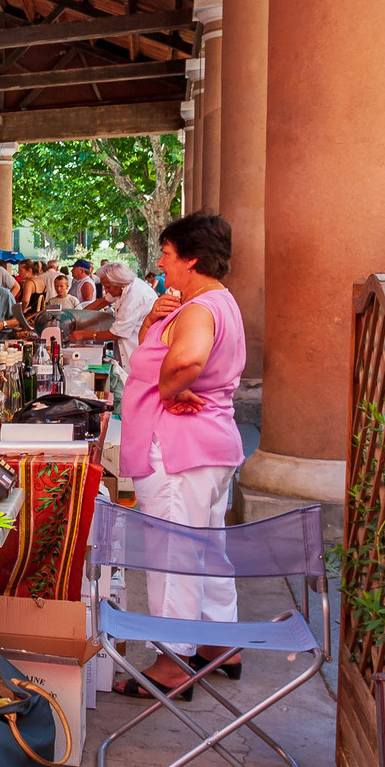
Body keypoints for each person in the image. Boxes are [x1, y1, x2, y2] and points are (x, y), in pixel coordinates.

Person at [119, 212, 246, 694]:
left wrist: (169, 387)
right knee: (207, 547)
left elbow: (189, 358)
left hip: (176, 450)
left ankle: (172, 662)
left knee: (173, 554)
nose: (161, 263)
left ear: (192, 259)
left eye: (168, 254)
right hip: (207, 446)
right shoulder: (216, 301)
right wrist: (153, 323)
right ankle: (218, 644)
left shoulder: (198, 309)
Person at [72, 258, 158, 365]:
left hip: (136, 350)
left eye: (107, 287)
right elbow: (102, 302)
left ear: (119, 283)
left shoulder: (134, 295)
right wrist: (77, 317)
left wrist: (83, 335)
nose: (105, 290)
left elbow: (115, 334)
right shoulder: (121, 286)